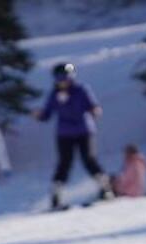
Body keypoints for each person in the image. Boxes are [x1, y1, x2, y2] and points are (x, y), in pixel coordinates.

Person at [35, 62, 112, 209]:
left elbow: (93, 105)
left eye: (66, 78)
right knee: (64, 163)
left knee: (89, 159)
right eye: (61, 78)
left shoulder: (81, 90)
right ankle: (56, 196)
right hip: (64, 133)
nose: (64, 81)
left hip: (84, 131)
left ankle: (106, 189)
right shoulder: (54, 94)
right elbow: (47, 114)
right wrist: (39, 115)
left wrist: (95, 110)